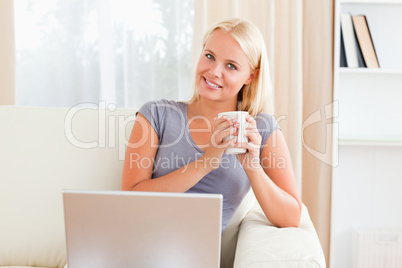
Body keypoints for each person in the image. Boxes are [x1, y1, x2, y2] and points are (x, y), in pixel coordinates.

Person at [122, 18, 301, 231]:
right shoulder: (156, 114)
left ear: (250, 76)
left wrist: (253, 169)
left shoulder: (259, 128)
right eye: (209, 56)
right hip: (138, 240)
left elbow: (291, 218)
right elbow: (130, 200)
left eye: (231, 66)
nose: (215, 71)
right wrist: (205, 163)